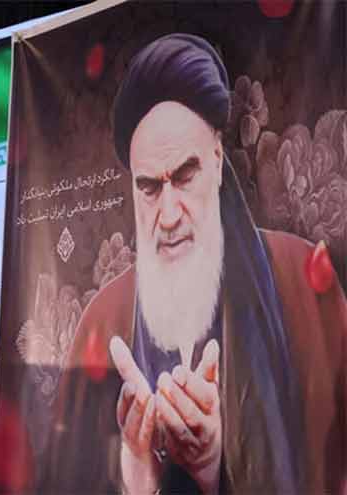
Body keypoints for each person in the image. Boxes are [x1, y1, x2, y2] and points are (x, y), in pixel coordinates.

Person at [40, 33, 347, 494]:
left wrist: (213, 467)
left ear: (218, 161)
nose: (168, 216)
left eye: (185, 177)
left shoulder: (301, 285)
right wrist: (136, 474)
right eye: (149, 187)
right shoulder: (103, 322)